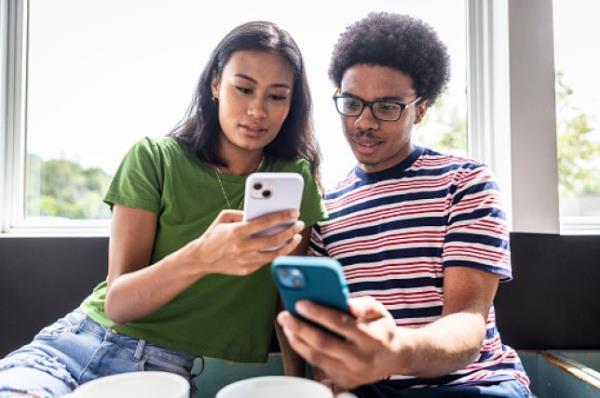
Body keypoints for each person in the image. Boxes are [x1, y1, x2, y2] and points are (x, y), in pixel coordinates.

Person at [0, 20, 326, 397]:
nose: (257, 110)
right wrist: (203, 256)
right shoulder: (154, 158)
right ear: (216, 85)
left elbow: (286, 296)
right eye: (244, 88)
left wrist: (302, 384)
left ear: (291, 104)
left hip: (163, 374)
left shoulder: (293, 178)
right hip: (78, 346)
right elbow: (119, 303)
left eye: (276, 96)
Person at [277, 12, 532, 398]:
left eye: (387, 107)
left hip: (477, 385)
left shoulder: (464, 182)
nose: (364, 122)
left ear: (422, 108)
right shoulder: (327, 209)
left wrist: (395, 352)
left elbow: (467, 322)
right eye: (352, 103)